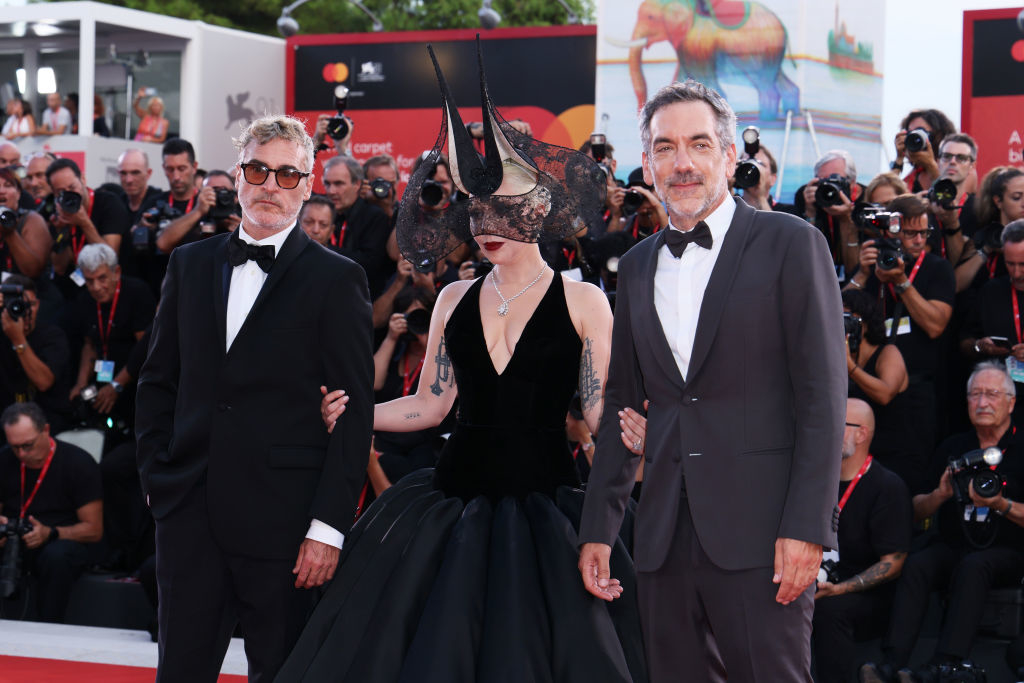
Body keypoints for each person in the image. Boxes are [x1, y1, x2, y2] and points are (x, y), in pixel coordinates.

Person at [278, 43, 647, 683]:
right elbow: (431, 403)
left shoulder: (584, 300)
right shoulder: (452, 297)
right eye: (476, 209)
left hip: (547, 510)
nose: (484, 223)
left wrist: (643, 435)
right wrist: (357, 411)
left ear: (536, 210)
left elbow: (596, 410)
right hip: (449, 500)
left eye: (500, 208)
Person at [578, 79, 845, 682]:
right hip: (664, 538)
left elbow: (823, 400)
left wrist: (808, 528)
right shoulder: (640, 261)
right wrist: (599, 527)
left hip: (763, 536)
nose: (682, 163)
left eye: (698, 144)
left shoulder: (791, 243)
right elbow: (624, 400)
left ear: (728, 156)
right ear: (646, 163)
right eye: (664, 148)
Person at [135, 114, 374, 683]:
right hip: (189, 512)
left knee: (283, 672)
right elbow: (156, 383)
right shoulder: (189, 265)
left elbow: (354, 412)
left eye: (288, 175)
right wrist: (156, 482)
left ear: (308, 184)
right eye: (260, 170)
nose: (271, 185)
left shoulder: (336, 279)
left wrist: (327, 529)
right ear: (239, 176)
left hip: (285, 523)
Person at [861, 362, 1024, 683]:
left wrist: (1000, 503)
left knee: (976, 565)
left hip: (1008, 551)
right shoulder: (953, 447)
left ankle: (943, 664)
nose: (982, 403)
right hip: (955, 544)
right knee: (919, 563)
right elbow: (917, 510)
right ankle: (892, 662)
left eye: (992, 394)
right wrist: (940, 494)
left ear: (1011, 402)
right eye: (975, 395)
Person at [811, 399, 912, 683]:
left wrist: (840, 589)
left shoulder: (886, 486)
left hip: (867, 597)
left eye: (839, 424)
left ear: (862, 433)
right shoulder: (815, 479)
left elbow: (893, 563)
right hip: (812, 579)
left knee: (829, 611)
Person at [0, 401, 102, 622]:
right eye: (15, 447)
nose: (21, 454)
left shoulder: (78, 463)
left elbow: (94, 530)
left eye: (28, 445)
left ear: (45, 430)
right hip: (13, 540)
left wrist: (51, 533)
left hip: (60, 540)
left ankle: (49, 627)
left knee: (56, 557)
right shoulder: (5, 459)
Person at [962, 220, 1024, 425]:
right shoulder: (991, 291)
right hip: (1001, 403)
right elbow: (964, 341)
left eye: (1023, 265)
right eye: (1010, 264)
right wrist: (980, 347)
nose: (1016, 273)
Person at [0, 275, 73, 434]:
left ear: (38, 305)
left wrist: (18, 339)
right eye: (16, 304)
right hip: (5, 423)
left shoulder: (53, 336)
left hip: (47, 425)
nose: (24, 310)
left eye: (30, 304)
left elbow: (43, 381)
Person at [322, 155, 393, 298]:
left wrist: (323, 248)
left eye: (339, 184)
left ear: (357, 184)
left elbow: (369, 264)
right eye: (327, 183)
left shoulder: (374, 217)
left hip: (361, 298)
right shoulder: (320, 213)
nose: (331, 191)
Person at [792, 149, 864, 281]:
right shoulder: (807, 195)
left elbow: (854, 269)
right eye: (822, 180)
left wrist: (846, 219)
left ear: (852, 182)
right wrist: (810, 213)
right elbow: (804, 260)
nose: (829, 186)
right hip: (818, 277)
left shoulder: (865, 199)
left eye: (835, 179)